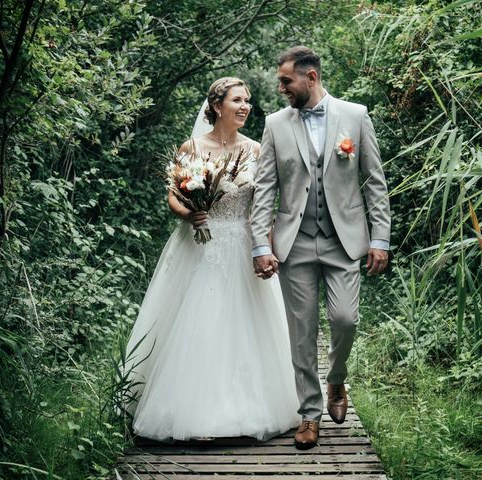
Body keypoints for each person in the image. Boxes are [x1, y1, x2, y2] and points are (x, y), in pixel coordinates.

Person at [123, 77, 299, 442]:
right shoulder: (193, 147)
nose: (245, 106)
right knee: (200, 322)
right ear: (217, 106)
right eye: (237, 100)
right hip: (200, 245)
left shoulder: (255, 150)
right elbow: (174, 196)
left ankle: (245, 408)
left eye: (248, 101)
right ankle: (194, 414)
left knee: (244, 325)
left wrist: (265, 249)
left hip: (242, 242)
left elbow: (261, 207)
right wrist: (189, 215)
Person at [250, 46, 391, 450]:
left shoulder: (355, 116)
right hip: (294, 243)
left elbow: (375, 183)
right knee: (302, 332)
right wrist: (262, 244)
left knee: (345, 319)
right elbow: (265, 191)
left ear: (310, 78)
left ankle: (336, 380)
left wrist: (379, 238)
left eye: (285, 81)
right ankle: (309, 415)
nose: (281, 88)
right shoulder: (276, 124)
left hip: (343, 241)